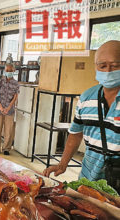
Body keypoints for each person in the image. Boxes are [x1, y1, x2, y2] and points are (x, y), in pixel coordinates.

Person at [43, 41, 120, 188]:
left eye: (115, 66)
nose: (108, 71)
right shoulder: (86, 98)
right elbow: (76, 133)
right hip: (88, 179)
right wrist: (63, 163)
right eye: (102, 66)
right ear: (96, 67)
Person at [0, 63, 19, 155]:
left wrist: (8, 108)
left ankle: (6, 148)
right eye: (7, 71)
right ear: (4, 71)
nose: (9, 72)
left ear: (14, 71)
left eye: (10, 71)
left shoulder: (16, 84)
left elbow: (15, 97)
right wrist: (1, 107)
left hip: (10, 110)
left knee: (8, 130)